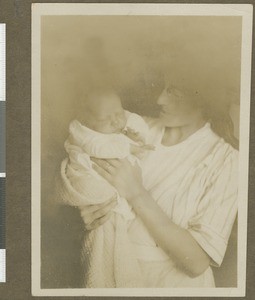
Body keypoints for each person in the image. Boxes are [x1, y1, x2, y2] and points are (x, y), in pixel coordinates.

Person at [58, 76, 238, 287]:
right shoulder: (133, 128)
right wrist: (82, 215)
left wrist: (136, 192)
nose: (160, 99)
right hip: (110, 269)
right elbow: (78, 170)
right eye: (163, 87)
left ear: (204, 95)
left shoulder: (226, 160)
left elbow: (197, 263)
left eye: (173, 91)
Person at [57, 88, 155, 287]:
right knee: (104, 230)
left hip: (111, 184)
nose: (116, 121)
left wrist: (134, 135)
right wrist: (131, 147)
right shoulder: (82, 132)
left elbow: (132, 122)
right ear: (86, 121)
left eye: (118, 113)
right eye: (106, 118)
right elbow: (99, 148)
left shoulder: (113, 126)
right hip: (87, 182)